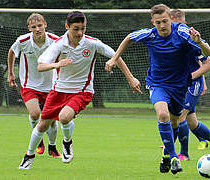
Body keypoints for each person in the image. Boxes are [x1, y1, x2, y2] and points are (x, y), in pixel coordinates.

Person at [106, 4, 210, 175]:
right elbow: (129, 37)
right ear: (153, 22)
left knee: (176, 121)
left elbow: (209, 54)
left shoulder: (183, 33)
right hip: (157, 84)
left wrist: (198, 42)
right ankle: (176, 157)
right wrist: (114, 58)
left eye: (165, 21)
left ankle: (166, 155)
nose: (162, 25)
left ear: (171, 19)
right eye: (158, 22)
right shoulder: (150, 34)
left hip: (180, 86)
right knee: (162, 114)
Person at [18, 11, 141, 170]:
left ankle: (67, 143)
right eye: (76, 29)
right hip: (58, 91)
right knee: (42, 125)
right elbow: (41, 66)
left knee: (63, 117)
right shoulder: (59, 45)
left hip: (82, 91)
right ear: (67, 27)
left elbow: (115, 55)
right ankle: (29, 155)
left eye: (83, 28)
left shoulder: (92, 43)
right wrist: (57, 65)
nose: (80, 33)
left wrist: (131, 78)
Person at [170, 9, 210, 162]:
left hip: (192, 84)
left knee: (180, 116)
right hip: (180, 85)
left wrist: (192, 77)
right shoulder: (169, 41)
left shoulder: (190, 39)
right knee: (192, 123)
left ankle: (183, 154)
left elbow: (208, 63)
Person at [7, 13, 61, 158]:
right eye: (34, 27)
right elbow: (12, 51)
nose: (37, 29)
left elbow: (64, 56)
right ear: (29, 28)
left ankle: (52, 147)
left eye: (39, 25)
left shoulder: (56, 41)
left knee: (52, 122)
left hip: (51, 86)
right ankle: (39, 142)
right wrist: (11, 73)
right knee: (35, 114)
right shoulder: (23, 41)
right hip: (29, 83)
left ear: (45, 25)